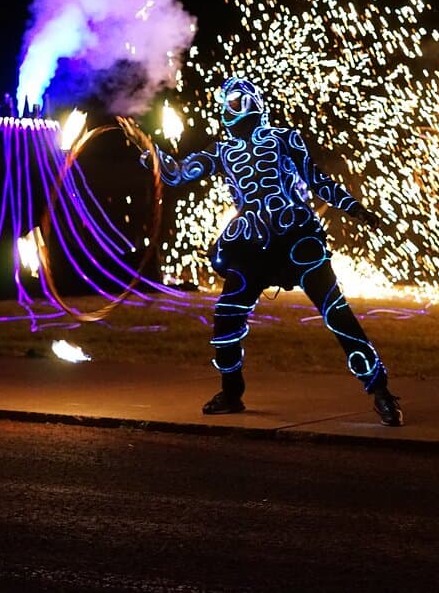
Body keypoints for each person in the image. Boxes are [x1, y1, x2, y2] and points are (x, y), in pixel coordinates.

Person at [120, 77, 403, 426]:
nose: (229, 108)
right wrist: (147, 149)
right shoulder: (221, 151)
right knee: (227, 316)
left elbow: (316, 180)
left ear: (253, 103)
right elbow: (177, 173)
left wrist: (354, 208)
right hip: (249, 246)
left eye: (236, 101)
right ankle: (231, 392)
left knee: (336, 311)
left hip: (297, 238)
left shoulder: (285, 139)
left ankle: (380, 391)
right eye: (225, 103)